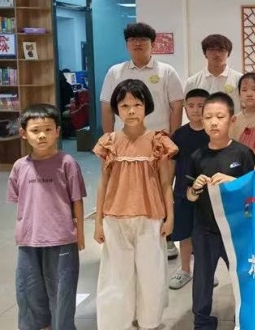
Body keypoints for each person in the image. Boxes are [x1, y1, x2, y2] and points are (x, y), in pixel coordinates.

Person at [93, 79, 178, 330]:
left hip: (150, 216)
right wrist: (98, 222)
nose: (131, 111)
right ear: (116, 109)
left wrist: (170, 216)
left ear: (146, 106)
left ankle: (149, 321)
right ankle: (117, 322)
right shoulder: (109, 142)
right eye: (124, 105)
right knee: (117, 273)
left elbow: (165, 183)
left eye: (137, 105)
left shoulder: (158, 141)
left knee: (150, 271)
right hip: (115, 216)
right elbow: (103, 183)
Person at [99, 22, 184, 259]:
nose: (137, 43)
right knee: (124, 188)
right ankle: (123, 236)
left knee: (162, 187)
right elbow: (106, 107)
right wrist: (109, 139)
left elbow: (177, 106)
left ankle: (166, 236)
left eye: (143, 40)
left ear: (152, 44)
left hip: (158, 144)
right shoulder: (115, 72)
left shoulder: (166, 71)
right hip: (123, 143)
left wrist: (172, 139)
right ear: (126, 44)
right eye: (132, 40)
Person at [7, 104, 86, 330]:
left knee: (62, 290)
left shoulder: (67, 163)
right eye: (35, 130)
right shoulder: (19, 167)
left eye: (48, 129)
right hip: (28, 240)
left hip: (61, 238)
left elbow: (77, 200)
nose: (42, 135)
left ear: (57, 131)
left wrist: (80, 234)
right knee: (28, 290)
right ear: (24, 133)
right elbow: (20, 201)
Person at [187, 92, 255, 330]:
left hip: (236, 231)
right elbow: (189, 195)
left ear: (232, 119)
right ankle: (202, 323)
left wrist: (234, 182)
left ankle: (244, 321)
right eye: (208, 117)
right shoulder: (197, 156)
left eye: (220, 116)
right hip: (205, 229)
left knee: (243, 277)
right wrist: (195, 189)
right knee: (202, 280)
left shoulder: (243, 154)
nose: (213, 122)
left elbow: (254, 193)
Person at [168, 88, 210, 290]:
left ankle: (206, 271)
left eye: (201, 106)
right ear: (185, 108)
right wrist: (168, 188)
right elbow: (172, 164)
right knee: (185, 233)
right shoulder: (179, 135)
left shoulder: (213, 133)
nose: (195, 110)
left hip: (207, 193)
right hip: (182, 192)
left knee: (205, 234)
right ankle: (185, 269)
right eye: (191, 106)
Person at [184, 34, 243, 113]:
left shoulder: (240, 79)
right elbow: (187, 108)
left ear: (228, 53)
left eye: (221, 50)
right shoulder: (192, 81)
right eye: (212, 49)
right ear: (205, 53)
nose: (217, 54)